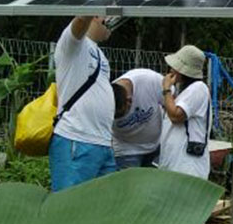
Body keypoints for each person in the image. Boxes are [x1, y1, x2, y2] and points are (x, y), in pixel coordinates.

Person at [158, 45, 211, 224]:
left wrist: (166, 91)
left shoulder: (198, 89)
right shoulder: (186, 90)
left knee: (185, 221)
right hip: (177, 164)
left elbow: (176, 115)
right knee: (173, 218)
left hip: (187, 165)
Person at [49, 16, 116, 192]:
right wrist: (93, 2)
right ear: (95, 16)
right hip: (76, 139)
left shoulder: (100, 54)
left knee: (102, 211)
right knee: (68, 208)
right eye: (108, 18)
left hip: (102, 143)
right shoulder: (73, 43)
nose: (113, 23)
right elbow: (79, 21)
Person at [111, 68, 164, 169]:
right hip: (125, 150)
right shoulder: (105, 99)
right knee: (129, 184)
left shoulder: (148, 80)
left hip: (156, 144)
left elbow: (172, 103)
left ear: (129, 101)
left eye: (122, 114)